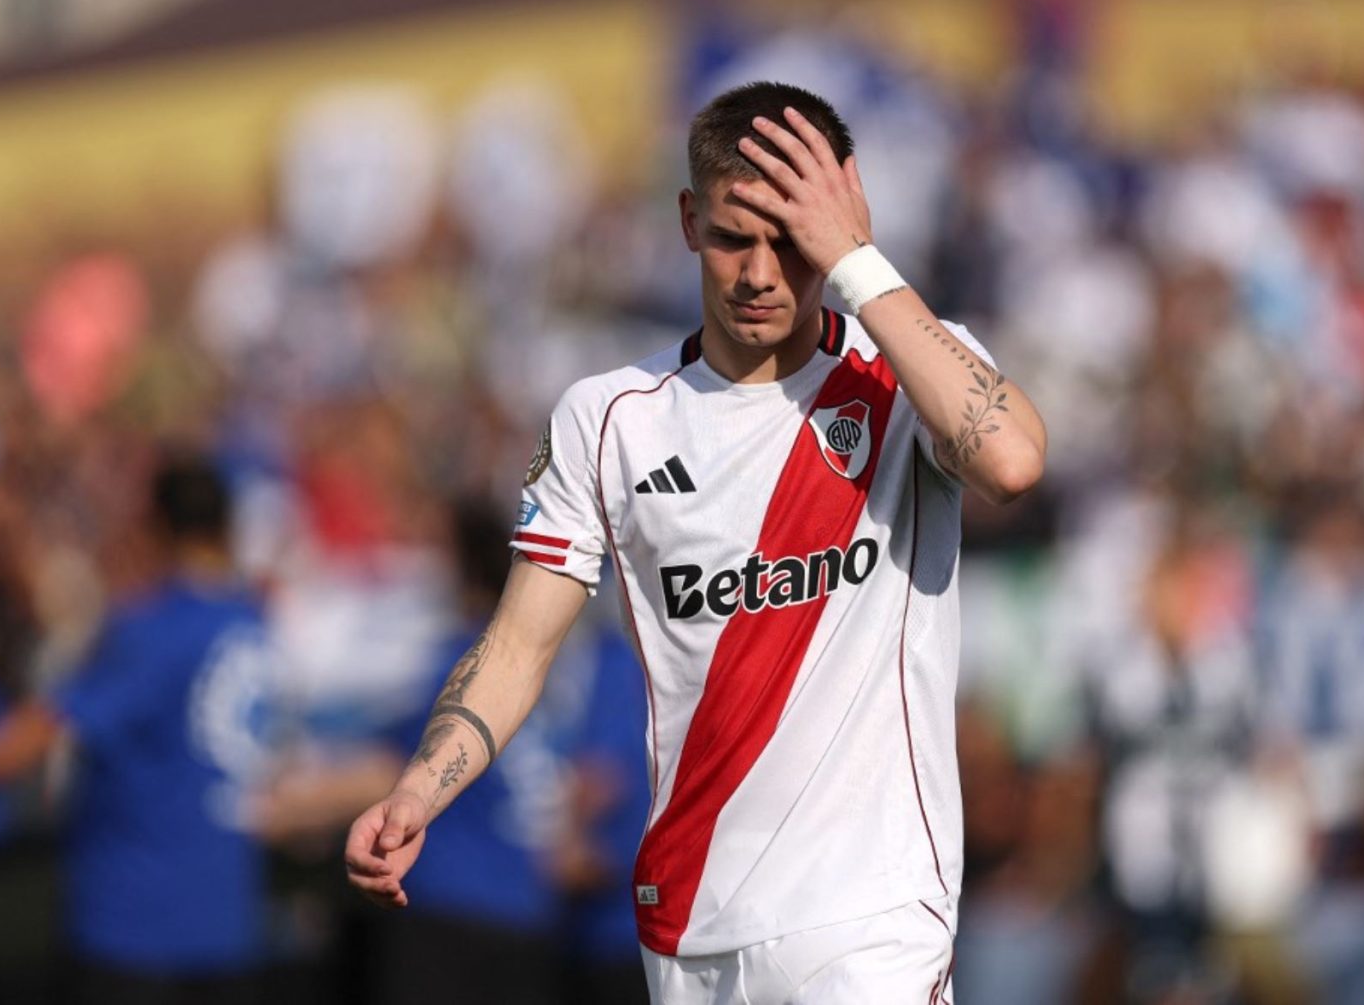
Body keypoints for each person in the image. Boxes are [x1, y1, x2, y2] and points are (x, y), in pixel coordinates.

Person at [345, 80, 1047, 1003]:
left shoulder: (902, 372)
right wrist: (419, 790)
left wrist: (857, 260)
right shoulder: (609, 420)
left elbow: (1012, 461)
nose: (759, 274)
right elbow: (518, 646)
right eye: (731, 238)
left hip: (869, 918)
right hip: (690, 924)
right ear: (687, 221)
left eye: (790, 242)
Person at [0, 451, 276, 1005]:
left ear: (156, 526)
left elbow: (49, 724)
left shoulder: (152, 630)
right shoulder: (249, 621)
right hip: (223, 913)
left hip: (134, 920)